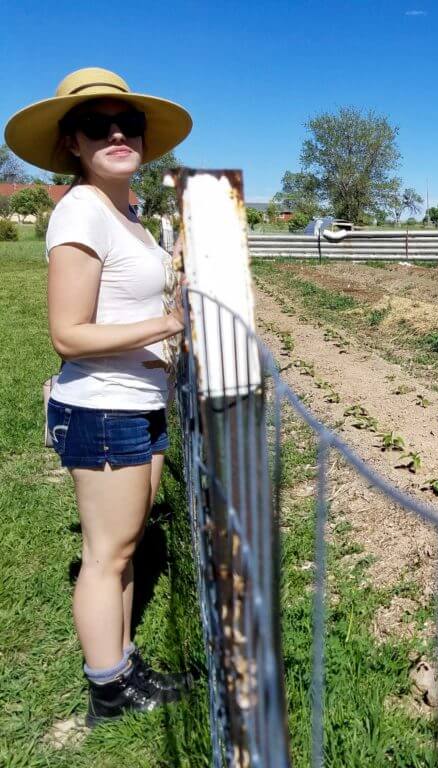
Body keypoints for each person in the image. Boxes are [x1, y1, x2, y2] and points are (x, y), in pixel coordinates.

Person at [4, 68, 192, 726]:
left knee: (126, 546)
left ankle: (122, 659)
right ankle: (107, 691)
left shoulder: (129, 215)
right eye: (96, 125)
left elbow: (119, 312)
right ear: (73, 144)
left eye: (128, 123)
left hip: (136, 398)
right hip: (102, 407)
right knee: (107, 552)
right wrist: (169, 325)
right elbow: (68, 333)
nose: (116, 132)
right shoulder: (81, 210)